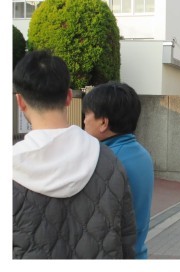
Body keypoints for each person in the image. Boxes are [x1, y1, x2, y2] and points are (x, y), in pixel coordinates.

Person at [13, 51, 136, 259]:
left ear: (20, 102)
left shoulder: (11, 166)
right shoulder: (109, 161)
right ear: (69, 97)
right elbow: (127, 240)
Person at [82, 82, 154, 259]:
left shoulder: (106, 162)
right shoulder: (142, 154)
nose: (84, 121)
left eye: (86, 115)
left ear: (103, 122)